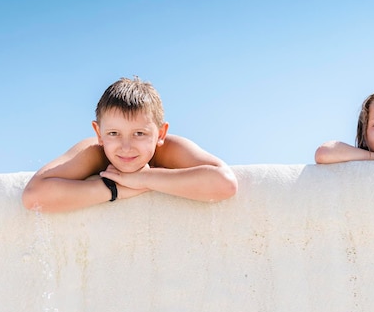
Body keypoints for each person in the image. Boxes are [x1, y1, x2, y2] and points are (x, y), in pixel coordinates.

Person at [22, 77, 238, 213]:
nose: (126, 147)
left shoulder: (170, 149)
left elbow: (225, 184)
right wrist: (115, 189)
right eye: (114, 133)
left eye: (139, 133)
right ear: (99, 133)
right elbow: (34, 196)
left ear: (161, 133)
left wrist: (143, 178)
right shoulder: (93, 152)